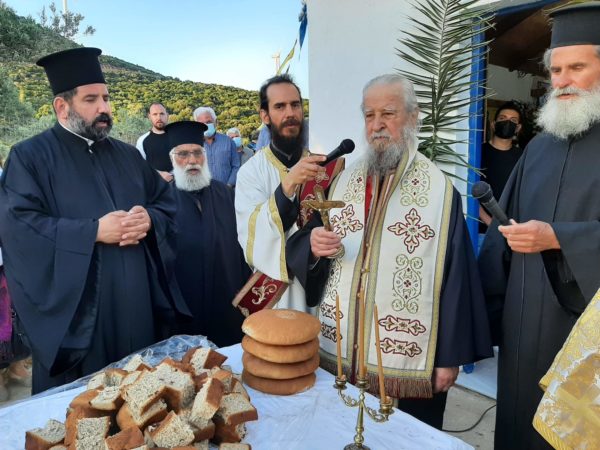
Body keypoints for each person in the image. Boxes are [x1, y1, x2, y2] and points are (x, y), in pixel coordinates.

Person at [287, 74, 493, 429]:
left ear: (412, 117)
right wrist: (313, 246)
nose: (377, 125)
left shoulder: (439, 192)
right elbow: (305, 240)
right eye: (369, 115)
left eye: (388, 113)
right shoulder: (342, 182)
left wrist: (449, 358)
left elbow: (457, 279)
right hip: (341, 352)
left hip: (408, 362)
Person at [0, 47, 189, 394]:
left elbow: (166, 203)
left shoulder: (128, 155)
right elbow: (18, 228)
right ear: (62, 107)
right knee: (85, 410)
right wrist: (93, 231)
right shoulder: (29, 157)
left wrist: (150, 219)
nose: (104, 108)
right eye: (91, 99)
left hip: (139, 308)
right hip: (80, 324)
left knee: (141, 403)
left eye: (105, 98)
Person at [478, 3, 600, 448]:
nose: (562, 80)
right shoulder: (538, 148)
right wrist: (486, 314)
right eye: (556, 69)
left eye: (577, 68)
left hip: (585, 338)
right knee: (517, 423)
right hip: (523, 323)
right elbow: (501, 237)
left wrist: (560, 237)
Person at [235, 74, 339, 313]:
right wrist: (288, 185)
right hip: (278, 293)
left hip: (321, 287)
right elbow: (251, 235)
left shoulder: (323, 168)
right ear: (265, 116)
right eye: (280, 106)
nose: (290, 113)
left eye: (295, 105)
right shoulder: (250, 172)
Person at [166, 121, 251, 347]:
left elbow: (242, 243)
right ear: (172, 159)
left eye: (197, 153)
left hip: (226, 299)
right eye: (183, 154)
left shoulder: (226, 194)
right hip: (185, 305)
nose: (192, 160)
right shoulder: (161, 201)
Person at [479, 101, 523, 231]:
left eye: (513, 120)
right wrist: (490, 223)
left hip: (511, 228)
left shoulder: (522, 157)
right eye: (502, 118)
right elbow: (470, 191)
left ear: (518, 128)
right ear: (493, 124)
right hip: (481, 228)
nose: (507, 123)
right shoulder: (479, 152)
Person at [193, 106, 240, 187]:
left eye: (208, 122)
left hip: (226, 190)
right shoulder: (193, 144)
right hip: (202, 191)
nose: (205, 126)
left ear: (215, 122)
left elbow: (236, 166)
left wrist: (229, 185)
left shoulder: (228, 142)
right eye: (201, 123)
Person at [136, 102, 173, 182]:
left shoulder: (178, 137)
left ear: (167, 115)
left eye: (162, 114)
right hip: (155, 185)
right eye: (155, 114)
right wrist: (159, 174)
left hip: (179, 185)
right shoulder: (142, 140)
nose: (159, 117)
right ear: (149, 116)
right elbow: (140, 166)